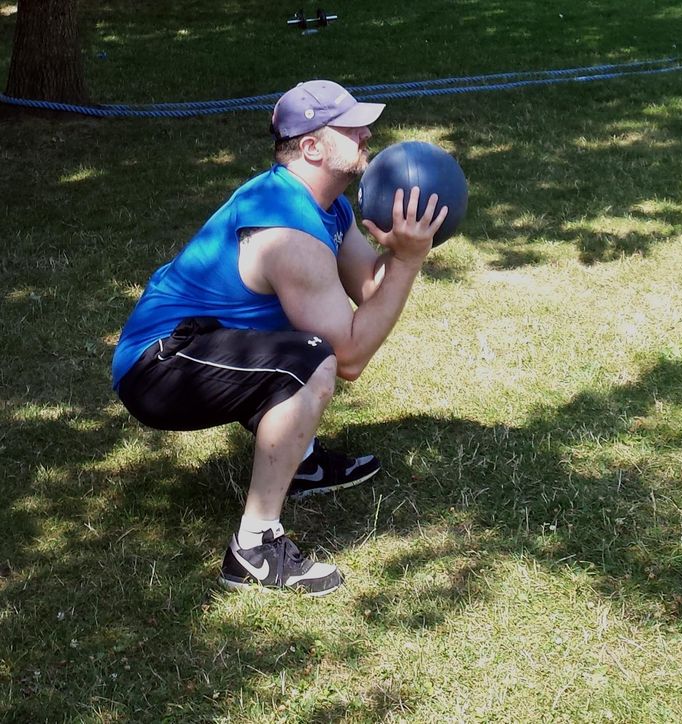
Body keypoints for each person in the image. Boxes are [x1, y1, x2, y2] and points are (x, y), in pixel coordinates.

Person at [111, 80, 448, 596]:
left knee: (305, 350)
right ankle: (254, 547)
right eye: (350, 127)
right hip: (158, 367)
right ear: (311, 146)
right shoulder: (287, 229)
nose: (367, 134)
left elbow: (369, 287)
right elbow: (351, 353)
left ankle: (304, 462)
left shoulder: (326, 205)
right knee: (311, 360)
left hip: (207, 342)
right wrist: (407, 260)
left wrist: (401, 252)